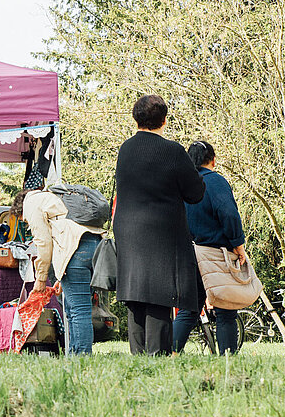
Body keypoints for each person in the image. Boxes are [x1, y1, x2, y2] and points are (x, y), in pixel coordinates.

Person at [113, 95, 205, 355]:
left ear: (136, 118)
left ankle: (139, 354)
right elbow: (195, 192)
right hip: (161, 231)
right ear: (164, 120)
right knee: (160, 292)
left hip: (128, 230)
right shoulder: (172, 150)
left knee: (135, 291)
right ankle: (157, 355)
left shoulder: (126, 149)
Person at [12, 179, 106, 355]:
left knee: (79, 309)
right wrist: (61, 276)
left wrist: (40, 280)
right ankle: (73, 353)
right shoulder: (52, 197)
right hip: (94, 245)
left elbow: (44, 243)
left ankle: (81, 358)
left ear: (20, 209)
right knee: (73, 308)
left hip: (75, 249)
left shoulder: (31, 203)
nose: (26, 223)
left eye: (23, 220)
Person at [172, 140, 248, 354]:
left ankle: (170, 352)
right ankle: (226, 357)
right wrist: (238, 244)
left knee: (189, 309)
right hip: (216, 255)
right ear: (213, 160)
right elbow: (229, 214)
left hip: (188, 255)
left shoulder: (180, 186)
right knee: (225, 311)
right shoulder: (215, 182)